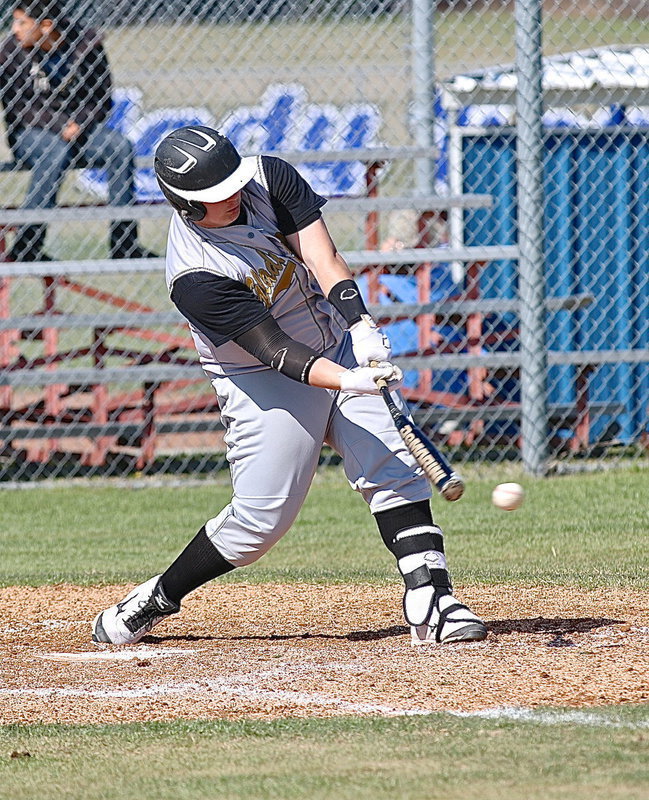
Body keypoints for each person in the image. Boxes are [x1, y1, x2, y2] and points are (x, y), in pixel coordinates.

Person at [91, 125, 487, 647]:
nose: (230, 198)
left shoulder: (269, 177)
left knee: (393, 463)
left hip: (333, 337)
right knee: (260, 521)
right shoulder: (195, 275)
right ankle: (159, 596)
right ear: (185, 206)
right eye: (213, 198)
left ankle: (433, 600)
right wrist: (349, 380)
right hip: (262, 377)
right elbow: (276, 350)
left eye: (230, 184)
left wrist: (361, 327)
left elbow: (323, 259)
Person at [0, 0, 155, 261]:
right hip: (30, 132)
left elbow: (102, 97)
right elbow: (17, 108)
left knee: (120, 147)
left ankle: (124, 245)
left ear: (46, 26)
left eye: (22, 22)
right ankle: (27, 248)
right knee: (53, 151)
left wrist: (79, 123)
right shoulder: (9, 53)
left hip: (79, 131)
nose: (14, 29)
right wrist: (60, 125)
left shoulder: (86, 46)